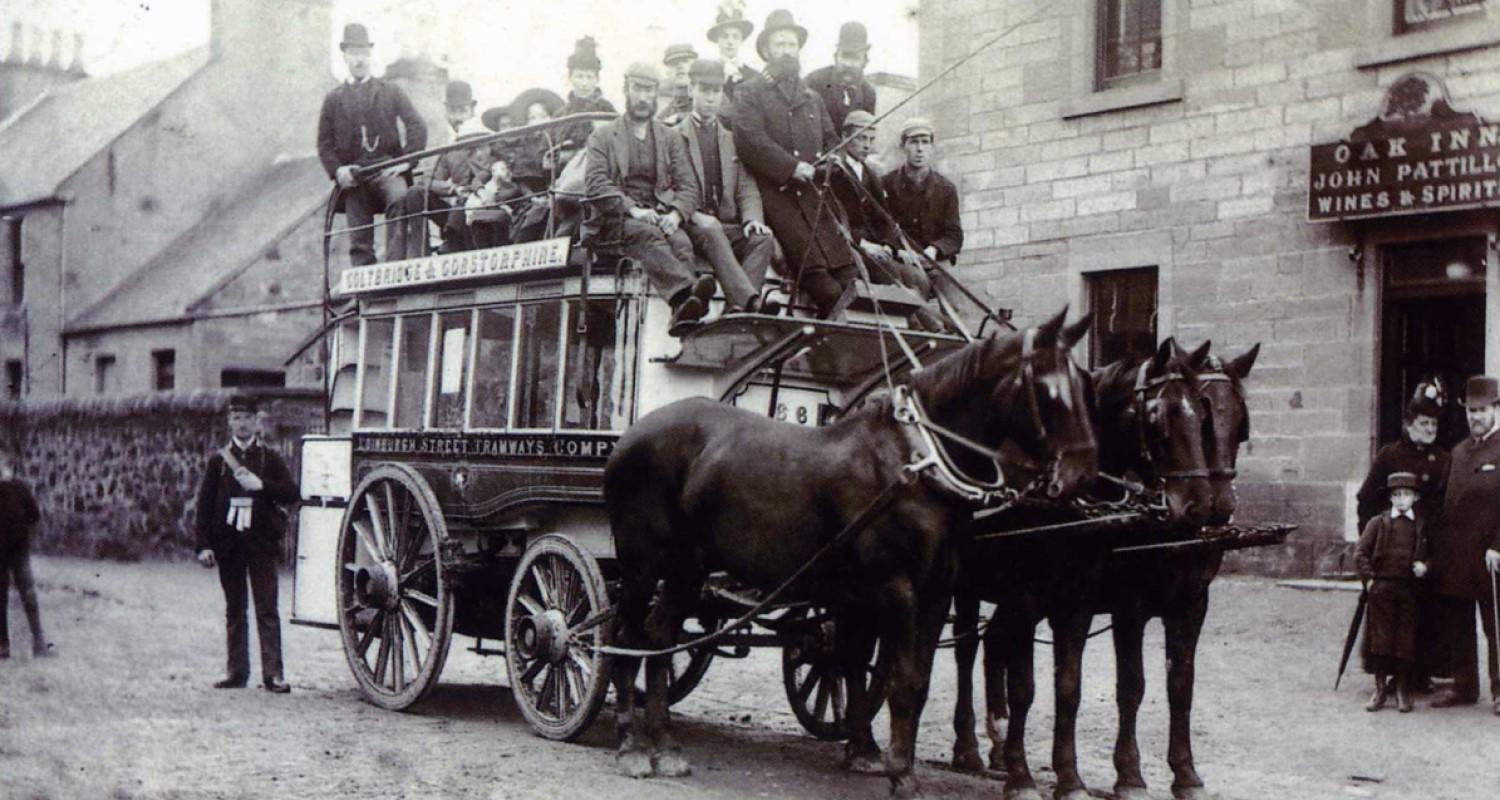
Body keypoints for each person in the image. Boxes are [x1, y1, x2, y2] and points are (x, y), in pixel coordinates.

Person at [733, 9, 856, 319]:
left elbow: (830, 140)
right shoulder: (749, 92)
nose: (787, 51)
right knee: (821, 283)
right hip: (777, 200)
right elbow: (750, 140)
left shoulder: (812, 98)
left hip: (815, 199)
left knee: (848, 277)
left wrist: (832, 162)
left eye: (791, 44)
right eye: (780, 44)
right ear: (766, 51)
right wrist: (791, 167)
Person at [584, 61, 715, 334]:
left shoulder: (669, 137)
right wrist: (633, 210)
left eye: (649, 91)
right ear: (626, 89)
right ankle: (685, 296)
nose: (643, 98)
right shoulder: (603, 135)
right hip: (616, 219)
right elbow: (596, 184)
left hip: (659, 213)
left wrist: (676, 214)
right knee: (648, 235)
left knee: (681, 242)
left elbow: (689, 185)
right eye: (637, 90)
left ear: (657, 95)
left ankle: (681, 316)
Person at [194, 395, 300, 693]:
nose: (241, 424)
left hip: (261, 543)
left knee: (267, 609)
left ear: (256, 421)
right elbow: (204, 505)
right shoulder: (219, 461)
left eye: (247, 418)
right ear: (230, 422)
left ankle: (273, 674)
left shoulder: (269, 458)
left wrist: (262, 485)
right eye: (236, 418)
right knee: (235, 609)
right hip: (229, 544)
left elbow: (292, 492)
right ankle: (237, 672)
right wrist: (203, 545)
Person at [317, 23, 429, 265]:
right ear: (345, 56)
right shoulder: (334, 99)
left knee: (400, 198)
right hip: (355, 176)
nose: (359, 60)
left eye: (364, 54)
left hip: (387, 169)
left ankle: (394, 269)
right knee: (358, 236)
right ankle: (364, 294)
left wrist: (406, 162)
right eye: (354, 54)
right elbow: (324, 143)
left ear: (370, 55)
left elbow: (417, 126)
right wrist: (338, 170)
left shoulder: (390, 91)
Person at [828, 111, 947, 332]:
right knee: (894, 278)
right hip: (852, 248)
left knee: (916, 275)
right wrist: (864, 244)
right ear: (845, 137)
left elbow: (884, 219)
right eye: (861, 138)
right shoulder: (834, 172)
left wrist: (890, 245)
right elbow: (833, 219)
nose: (867, 145)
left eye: (871, 139)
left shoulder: (870, 174)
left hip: (877, 249)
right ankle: (923, 328)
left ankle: (926, 324)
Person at [674, 59, 776, 315]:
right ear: (691, 90)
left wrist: (752, 219)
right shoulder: (673, 136)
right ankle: (749, 302)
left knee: (763, 238)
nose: (710, 98)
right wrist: (694, 215)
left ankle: (735, 309)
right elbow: (664, 186)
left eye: (716, 91)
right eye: (704, 90)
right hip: (691, 224)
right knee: (711, 230)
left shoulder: (731, 139)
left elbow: (746, 186)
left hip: (725, 225)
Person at [1428, 375, 1500, 715]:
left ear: (1496, 410)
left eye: (1482, 410)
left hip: (1491, 555)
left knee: (1495, 623)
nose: (1475, 417)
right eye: (1471, 411)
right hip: (1458, 552)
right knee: (1458, 620)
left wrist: (1499, 545)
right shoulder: (1458, 451)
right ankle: (1463, 684)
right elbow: (1446, 500)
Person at [1356, 472, 1429, 712]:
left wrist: (1425, 566)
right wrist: (1369, 581)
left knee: (1405, 640)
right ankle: (1379, 689)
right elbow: (1361, 553)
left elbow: (1434, 554)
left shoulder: (1421, 525)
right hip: (1382, 588)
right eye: (1396, 495)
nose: (1400, 500)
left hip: (1409, 589)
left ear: (1415, 497)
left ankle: (1401, 690)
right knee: (1381, 639)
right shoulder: (1379, 522)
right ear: (1389, 498)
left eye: (1406, 494)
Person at [399, 80, 492, 255]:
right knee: (415, 193)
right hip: (457, 211)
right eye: (452, 111)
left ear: (472, 111)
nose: (458, 118)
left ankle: (453, 241)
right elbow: (428, 180)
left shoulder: (489, 138)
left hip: (486, 205)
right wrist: (453, 189)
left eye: (462, 111)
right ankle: (419, 255)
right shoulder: (449, 150)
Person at [0, 454, 50, 660]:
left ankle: (39, 643)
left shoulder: (19, 488)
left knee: (28, 595)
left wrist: (23, 535)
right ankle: (2, 646)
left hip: (19, 552)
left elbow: (34, 515)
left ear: (7, 466)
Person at [805, 21, 878, 132]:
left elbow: (865, 135)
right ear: (835, 57)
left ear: (865, 61)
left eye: (855, 58)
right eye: (844, 56)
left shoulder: (868, 94)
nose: (848, 64)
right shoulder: (814, 82)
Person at [560, 36, 616, 153]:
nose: (584, 83)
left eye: (589, 77)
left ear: (597, 79)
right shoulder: (562, 114)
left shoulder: (607, 110)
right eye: (579, 76)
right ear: (570, 78)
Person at [706, 6, 756, 101]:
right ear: (717, 39)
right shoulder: (706, 73)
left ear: (741, 40)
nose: (730, 41)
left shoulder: (753, 76)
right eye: (725, 36)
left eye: (735, 37)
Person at [658, 43, 698, 125]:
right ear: (668, 72)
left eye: (685, 61)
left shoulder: (708, 97)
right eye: (674, 63)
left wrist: (679, 117)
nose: (680, 66)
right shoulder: (666, 112)